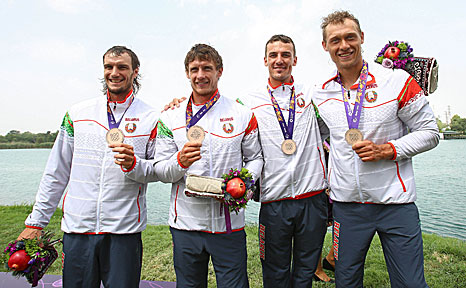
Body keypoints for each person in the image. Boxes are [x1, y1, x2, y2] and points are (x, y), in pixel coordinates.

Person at [313, 10, 439, 287]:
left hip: (395, 204)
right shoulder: (320, 92)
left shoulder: (397, 81)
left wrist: (388, 150)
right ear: (325, 46)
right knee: (346, 281)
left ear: (362, 38)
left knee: (411, 284)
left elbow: (430, 133)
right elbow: (316, 136)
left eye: (350, 37)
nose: (343, 45)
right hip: (347, 207)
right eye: (335, 40)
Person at [122, 43, 263, 288]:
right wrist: (180, 162)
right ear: (187, 73)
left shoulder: (242, 113)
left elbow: (256, 158)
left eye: (207, 68)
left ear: (219, 71)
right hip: (186, 224)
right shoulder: (170, 117)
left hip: (228, 223)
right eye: (194, 69)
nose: (201, 75)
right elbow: (160, 170)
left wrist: (245, 185)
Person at [17, 46, 159, 288]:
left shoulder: (152, 117)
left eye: (122, 67)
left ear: (135, 72)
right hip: (78, 230)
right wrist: (36, 222)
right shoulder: (77, 114)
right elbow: (56, 172)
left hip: (123, 231)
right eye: (108, 67)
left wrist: (135, 164)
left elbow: (158, 169)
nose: (114, 73)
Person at [237, 34, 329, 287]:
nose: (280, 60)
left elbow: (332, 125)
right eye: (274, 55)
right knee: (275, 273)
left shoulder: (312, 95)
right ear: (265, 60)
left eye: (285, 55)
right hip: (274, 202)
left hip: (312, 198)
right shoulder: (248, 101)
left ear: (295, 60)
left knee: (305, 270)